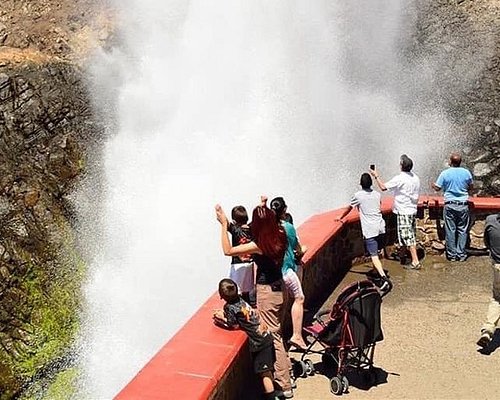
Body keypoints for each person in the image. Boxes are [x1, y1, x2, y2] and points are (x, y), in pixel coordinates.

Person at [215, 197, 294, 398]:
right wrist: (263, 205)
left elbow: (228, 250)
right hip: (281, 287)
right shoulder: (280, 233)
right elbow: (261, 222)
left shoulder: (260, 245)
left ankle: (284, 385)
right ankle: (287, 372)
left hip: (268, 292)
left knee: (273, 336)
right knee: (277, 331)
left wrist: (224, 226)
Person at [213, 279, 278, 399]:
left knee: (264, 372)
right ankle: (274, 390)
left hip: (259, 342)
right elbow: (241, 314)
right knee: (268, 369)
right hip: (266, 336)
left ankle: (271, 396)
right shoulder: (241, 299)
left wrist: (220, 318)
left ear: (221, 295)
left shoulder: (229, 307)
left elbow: (234, 325)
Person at [371, 154, 422, 270]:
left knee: (408, 237)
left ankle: (415, 261)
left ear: (401, 166)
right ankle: (402, 255)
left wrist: (376, 176)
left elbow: (383, 187)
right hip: (412, 210)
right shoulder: (415, 177)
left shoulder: (400, 178)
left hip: (404, 211)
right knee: (406, 234)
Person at [270, 197, 307, 351]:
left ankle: (279, 337)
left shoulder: (266, 229)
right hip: (286, 270)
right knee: (299, 298)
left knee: (281, 304)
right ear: (284, 210)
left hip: (272, 273)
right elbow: (297, 249)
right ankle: (297, 335)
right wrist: (302, 250)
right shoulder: (288, 228)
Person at [432, 152, 473, 262]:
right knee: (463, 230)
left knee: (450, 230)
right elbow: (471, 186)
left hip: (450, 205)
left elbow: (437, 188)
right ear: (460, 162)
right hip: (463, 205)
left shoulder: (445, 173)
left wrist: (432, 184)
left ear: (450, 162)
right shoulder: (466, 172)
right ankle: (461, 254)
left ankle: (452, 255)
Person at [350, 173, 390, 282]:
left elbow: (349, 208)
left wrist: (340, 217)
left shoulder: (358, 195)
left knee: (373, 255)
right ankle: (375, 271)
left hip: (370, 229)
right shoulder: (377, 194)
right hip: (381, 227)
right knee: (377, 251)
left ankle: (383, 277)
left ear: (360, 184)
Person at [477, 214, 500, 348]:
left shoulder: (491, 221)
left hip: (497, 266)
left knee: (497, 299)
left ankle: (488, 329)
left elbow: (487, 243)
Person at [227, 205, 255, 303]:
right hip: (249, 264)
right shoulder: (252, 228)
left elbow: (225, 223)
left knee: (236, 291)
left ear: (234, 221)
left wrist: (219, 211)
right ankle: (248, 308)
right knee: (246, 292)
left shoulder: (235, 230)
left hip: (237, 265)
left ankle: (238, 312)